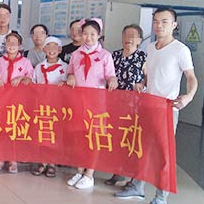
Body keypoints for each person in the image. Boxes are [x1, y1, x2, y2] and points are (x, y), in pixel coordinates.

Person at [115, 8, 197, 204]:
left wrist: (188, 96)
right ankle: (137, 186)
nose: (159, 25)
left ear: (174, 25)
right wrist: (143, 83)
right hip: (147, 105)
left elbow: (191, 77)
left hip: (166, 109)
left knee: (163, 155)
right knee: (142, 148)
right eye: (156, 21)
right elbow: (151, 74)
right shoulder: (151, 48)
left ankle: (161, 198)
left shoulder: (181, 50)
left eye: (165, 22)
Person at [66, 18, 118, 190]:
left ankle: (89, 174)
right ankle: (79, 171)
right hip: (78, 101)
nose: (88, 38)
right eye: (85, 34)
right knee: (78, 137)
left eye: (92, 34)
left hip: (96, 103)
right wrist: (70, 76)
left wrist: (112, 81)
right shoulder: (76, 54)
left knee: (94, 137)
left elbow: (110, 75)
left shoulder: (105, 56)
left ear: (99, 35)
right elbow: (70, 72)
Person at [105, 24, 147, 187]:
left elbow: (149, 77)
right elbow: (107, 75)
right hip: (115, 104)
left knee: (132, 140)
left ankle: (132, 178)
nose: (128, 39)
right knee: (117, 139)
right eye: (125, 35)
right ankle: (117, 172)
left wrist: (142, 84)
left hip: (134, 107)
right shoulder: (114, 55)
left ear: (139, 40)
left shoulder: (143, 57)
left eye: (133, 36)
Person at [0, 32, 34, 173]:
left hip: (18, 102)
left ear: (20, 45)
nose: (11, 45)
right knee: (1, 130)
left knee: (15, 130)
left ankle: (13, 160)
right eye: (8, 42)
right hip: (1, 101)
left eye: (14, 43)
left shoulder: (26, 62)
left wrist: (21, 78)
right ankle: (0, 158)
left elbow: (30, 79)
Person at [32, 36, 68, 178]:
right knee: (42, 133)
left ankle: (52, 162)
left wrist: (64, 85)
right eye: (49, 46)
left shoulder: (65, 67)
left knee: (54, 134)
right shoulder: (39, 67)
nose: (51, 50)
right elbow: (33, 84)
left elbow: (70, 86)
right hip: (41, 105)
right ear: (44, 49)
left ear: (59, 50)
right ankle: (42, 162)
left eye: (55, 47)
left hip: (57, 107)